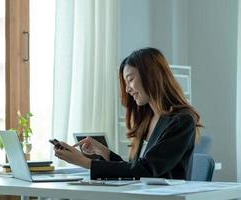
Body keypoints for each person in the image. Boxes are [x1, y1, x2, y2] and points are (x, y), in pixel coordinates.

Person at [54, 47, 202, 180]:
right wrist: (104, 152)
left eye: (130, 80)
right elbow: (133, 168)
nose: (127, 90)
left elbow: (147, 169)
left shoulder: (182, 120)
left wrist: (85, 162)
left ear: (151, 76)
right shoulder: (147, 119)